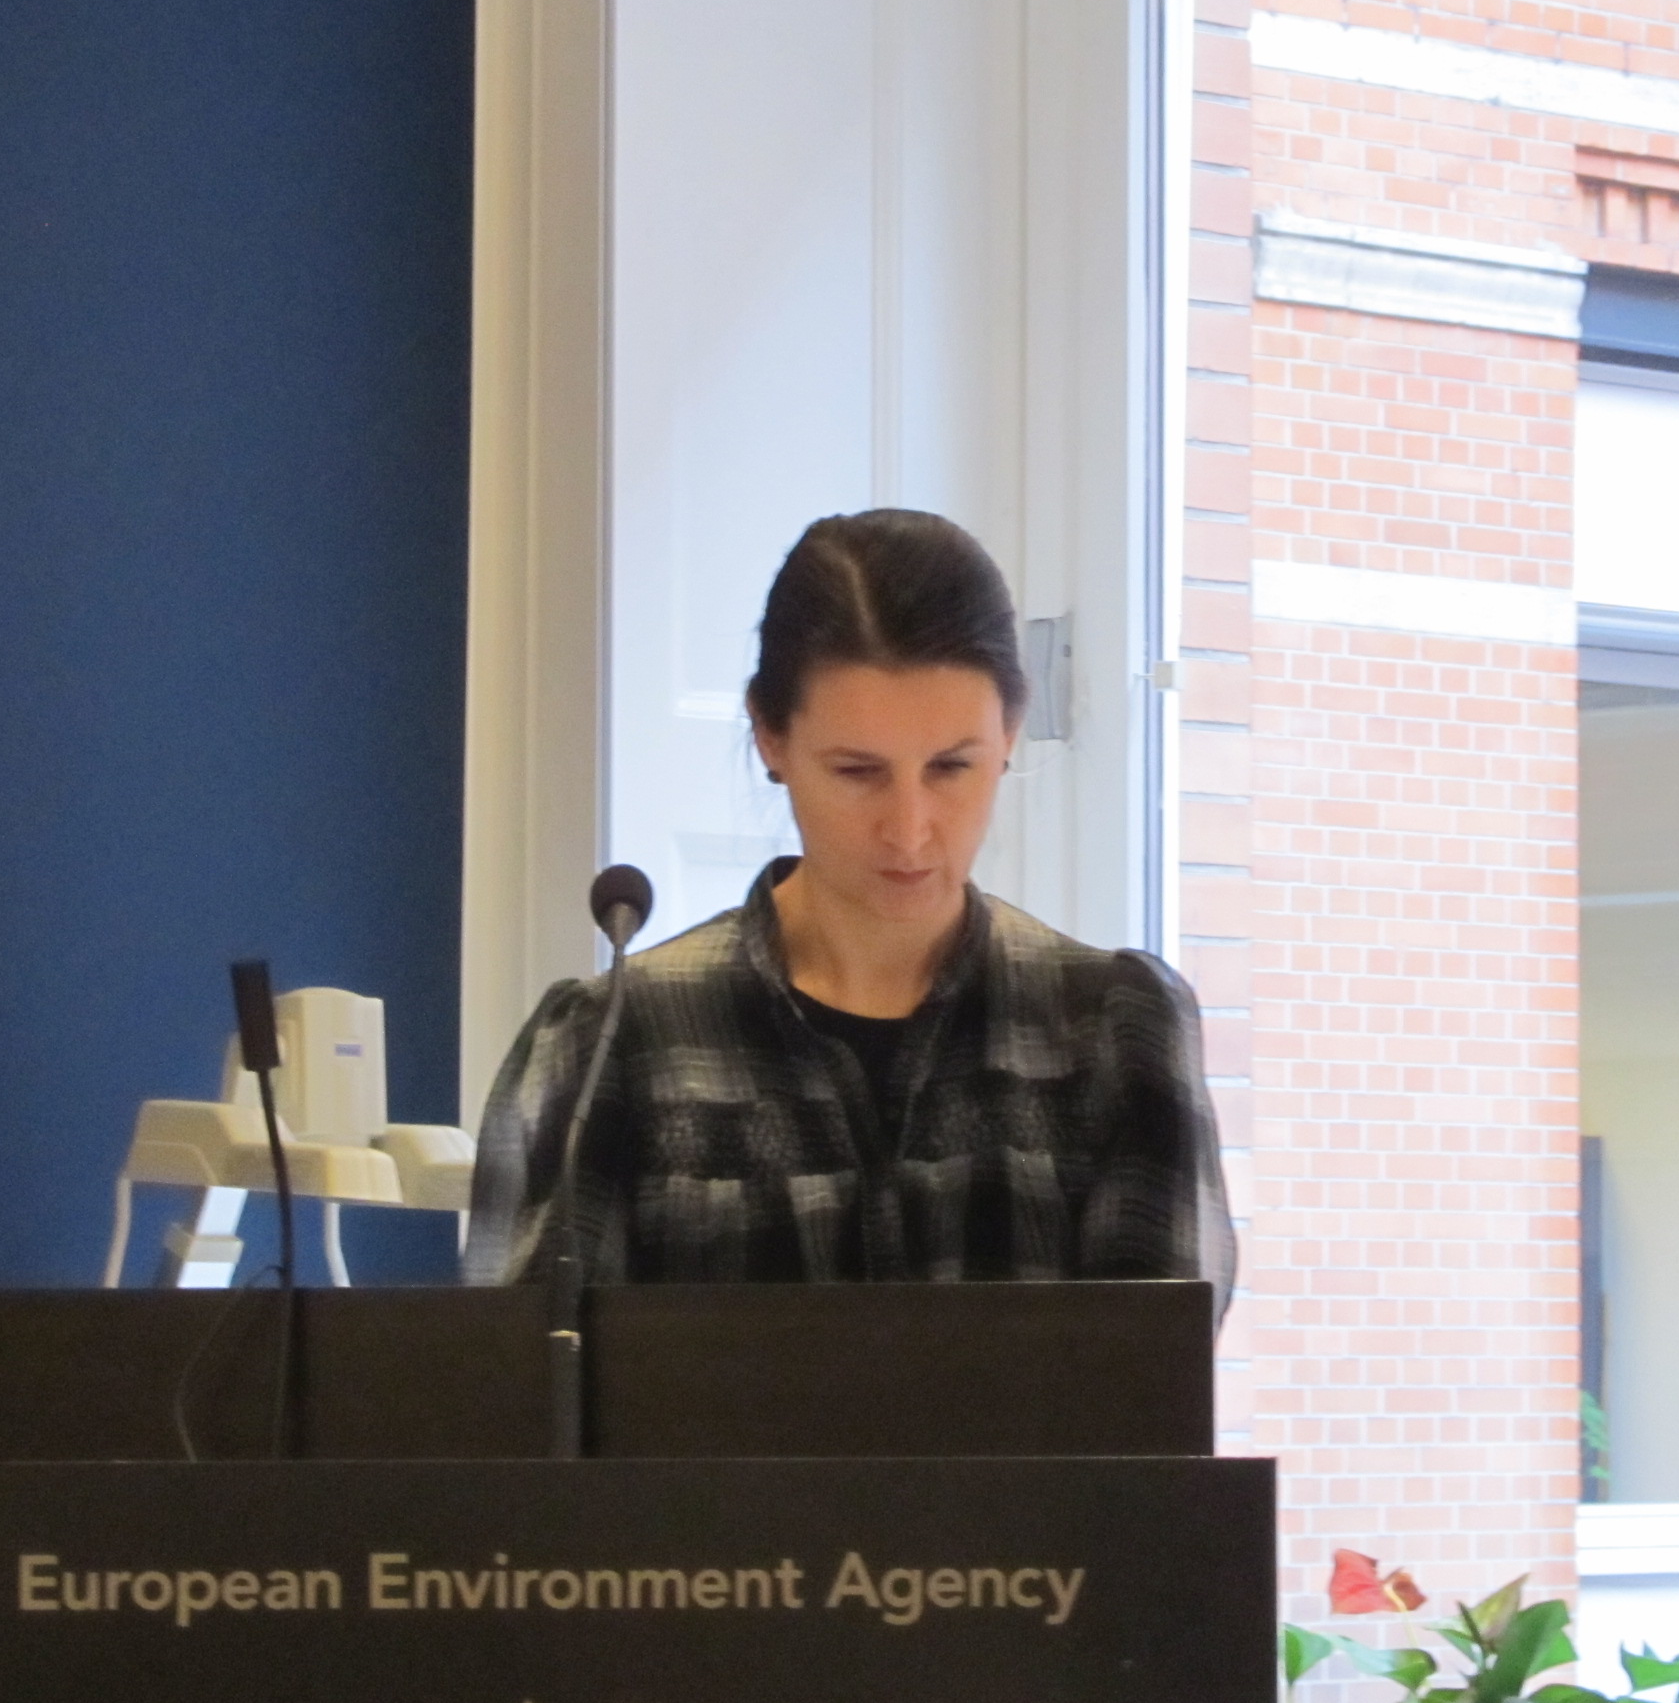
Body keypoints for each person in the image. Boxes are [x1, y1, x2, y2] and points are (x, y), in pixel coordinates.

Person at [463, 508, 1233, 1308]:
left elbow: (1154, 1375)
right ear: (770, 737)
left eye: (951, 768)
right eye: (858, 773)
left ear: (1010, 731)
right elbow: (527, 1373)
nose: (909, 829)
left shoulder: (1113, 1034)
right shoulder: (611, 1044)